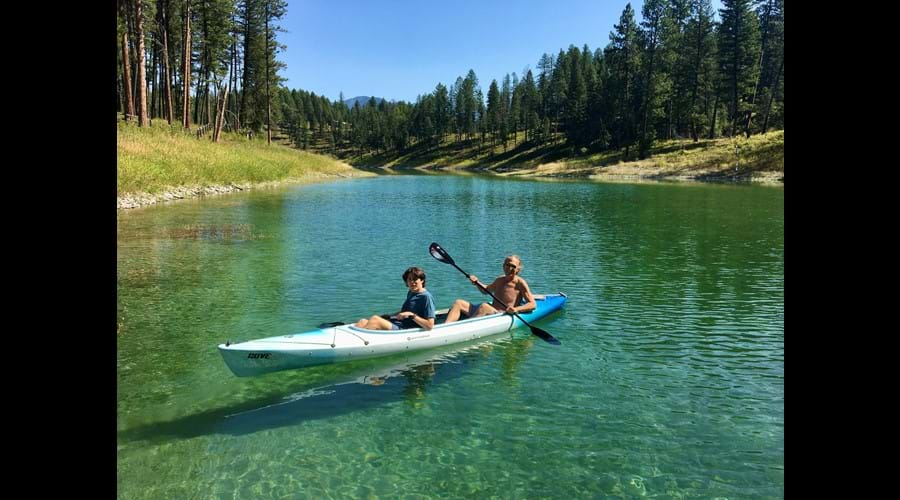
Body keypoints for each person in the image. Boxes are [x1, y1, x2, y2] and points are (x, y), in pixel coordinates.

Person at [444, 255, 536, 323]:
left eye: (513, 266)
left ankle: (464, 329)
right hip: (491, 310)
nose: (509, 268)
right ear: (503, 266)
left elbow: (532, 304)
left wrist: (516, 309)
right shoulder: (499, 279)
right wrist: (477, 282)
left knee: (484, 306)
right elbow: (486, 290)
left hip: (500, 314)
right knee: (458, 303)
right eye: (507, 265)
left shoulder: (520, 283)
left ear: (518, 270)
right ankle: (445, 328)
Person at [355, 267, 436, 331]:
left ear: (422, 280)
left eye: (415, 279)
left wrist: (412, 315)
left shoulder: (426, 297)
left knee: (375, 319)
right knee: (363, 321)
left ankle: (360, 345)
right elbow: (405, 312)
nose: (412, 282)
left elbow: (430, 325)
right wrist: (390, 315)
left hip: (406, 329)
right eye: (409, 280)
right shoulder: (411, 292)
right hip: (399, 323)